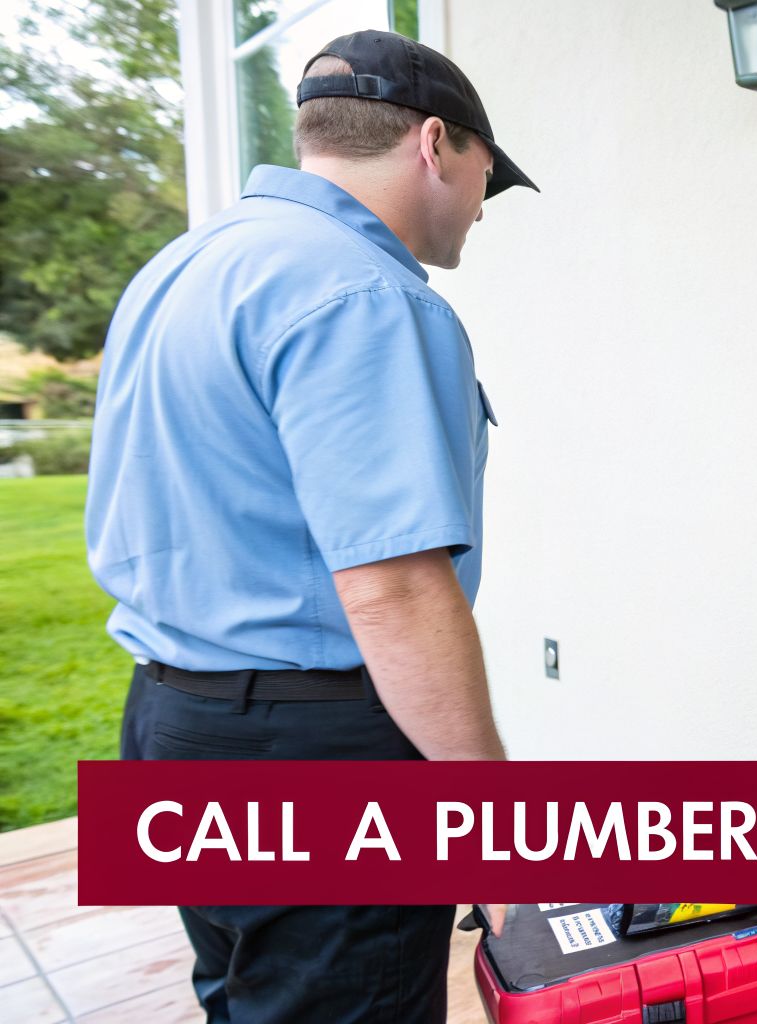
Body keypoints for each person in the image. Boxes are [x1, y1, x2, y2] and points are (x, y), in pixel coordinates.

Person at [86, 30, 535, 1021]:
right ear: (434, 145)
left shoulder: (184, 266)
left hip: (168, 722)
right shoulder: (366, 294)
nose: (476, 210)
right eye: (483, 179)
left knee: (241, 993)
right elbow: (395, 591)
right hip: (314, 745)